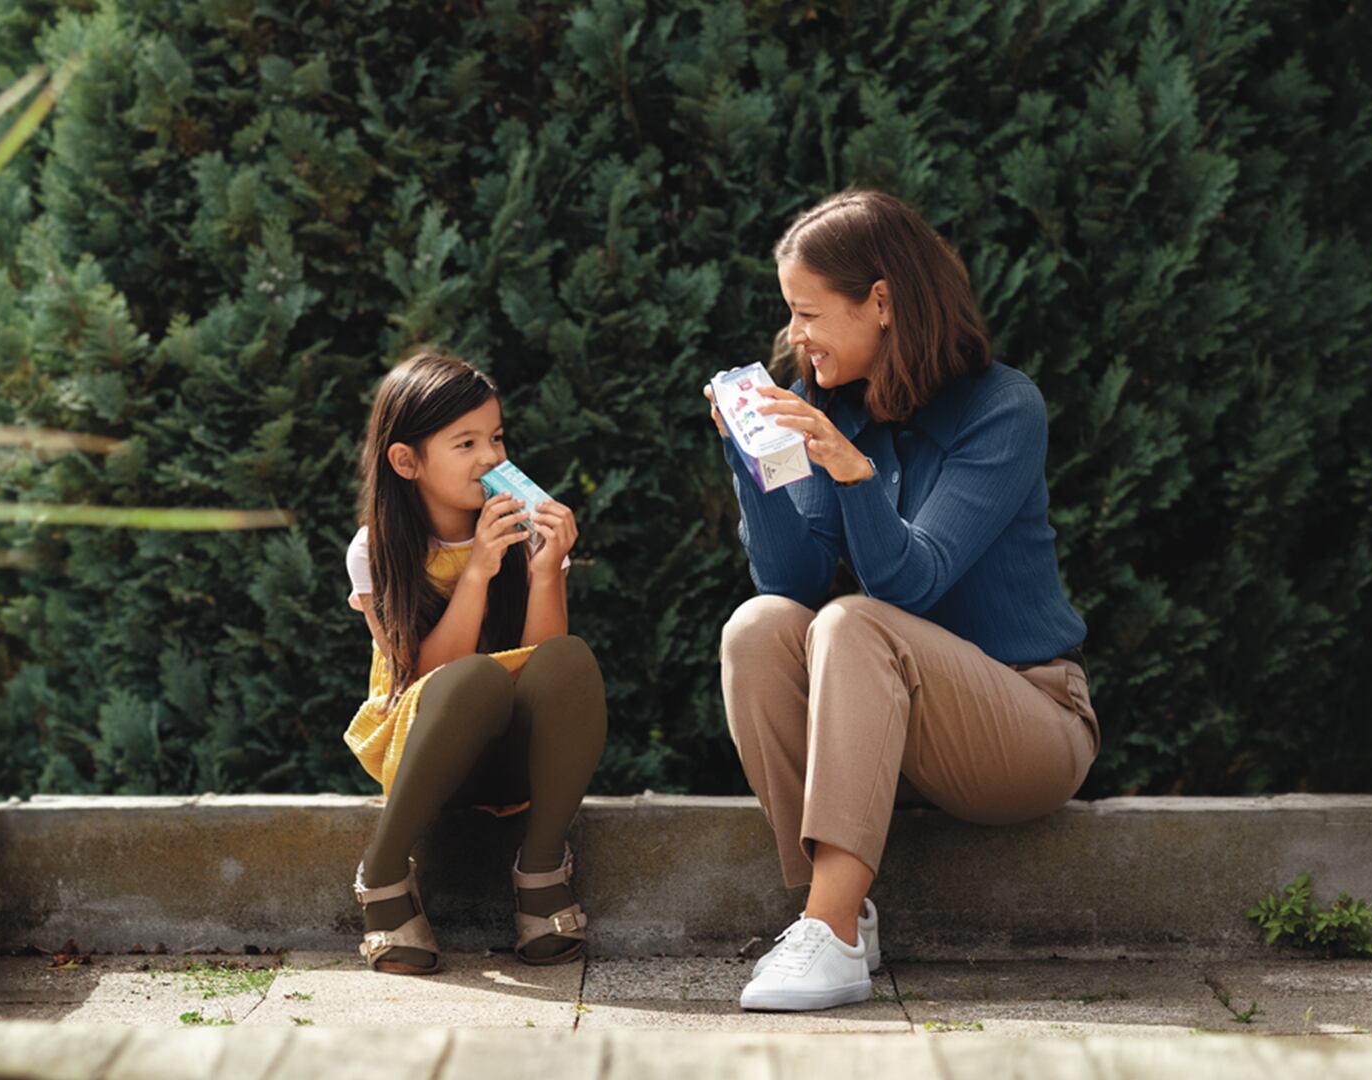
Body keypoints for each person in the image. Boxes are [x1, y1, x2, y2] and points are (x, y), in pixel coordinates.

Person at [705, 189, 1098, 1012]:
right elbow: (791, 584)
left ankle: (832, 931)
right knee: (757, 628)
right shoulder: (832, 407)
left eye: (809, 313)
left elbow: (913, 582)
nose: (795, 335)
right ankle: (838, 912)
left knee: (858, 620)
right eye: (791, 313)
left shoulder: (1002, 408)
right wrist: (758, 463)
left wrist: (850, 471)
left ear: (880, 301)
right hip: (895, 726)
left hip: (1028, 721)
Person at [342, 348, 607, 974]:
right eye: (465, 444)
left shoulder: (526, 531)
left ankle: (542, 870)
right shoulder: (375, 550)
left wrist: (544, 572)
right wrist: (478, 572)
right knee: (475, 677)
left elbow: (544, 672)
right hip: (425, 755)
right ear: (406, 461)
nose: (491, 457)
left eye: (496, 436)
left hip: (510, 765)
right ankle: (383, 872)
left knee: (568, 659)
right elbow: (421, 677)